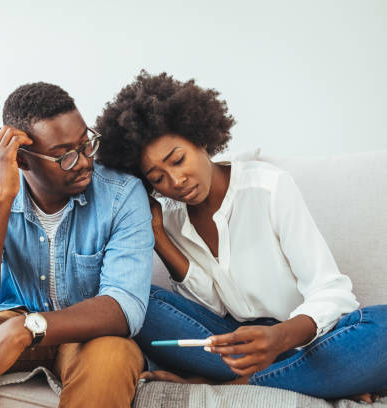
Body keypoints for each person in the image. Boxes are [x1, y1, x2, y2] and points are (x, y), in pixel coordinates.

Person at [95, 70, 387, 403]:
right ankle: (317, 376)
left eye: (177, 160)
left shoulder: (269, 188)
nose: (175, 182)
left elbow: (331, 291)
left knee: (384, 328)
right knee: (138, 300)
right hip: (231, 344)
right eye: (158, 178)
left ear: (200, 139)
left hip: (305, 338)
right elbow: (212, 305)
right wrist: (158, 235)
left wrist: (278, 338)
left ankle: (237, 384)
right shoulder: (172, 216)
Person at [0, 82, 154, 408]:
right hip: (14, 318)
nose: (83, 161)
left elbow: (124, 306)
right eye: (64, 155)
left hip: (89, 333)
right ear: (23, 161)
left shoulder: (122, 194)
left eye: (86, 145)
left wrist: (25, 328)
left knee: (113, 357)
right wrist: (2, 197)